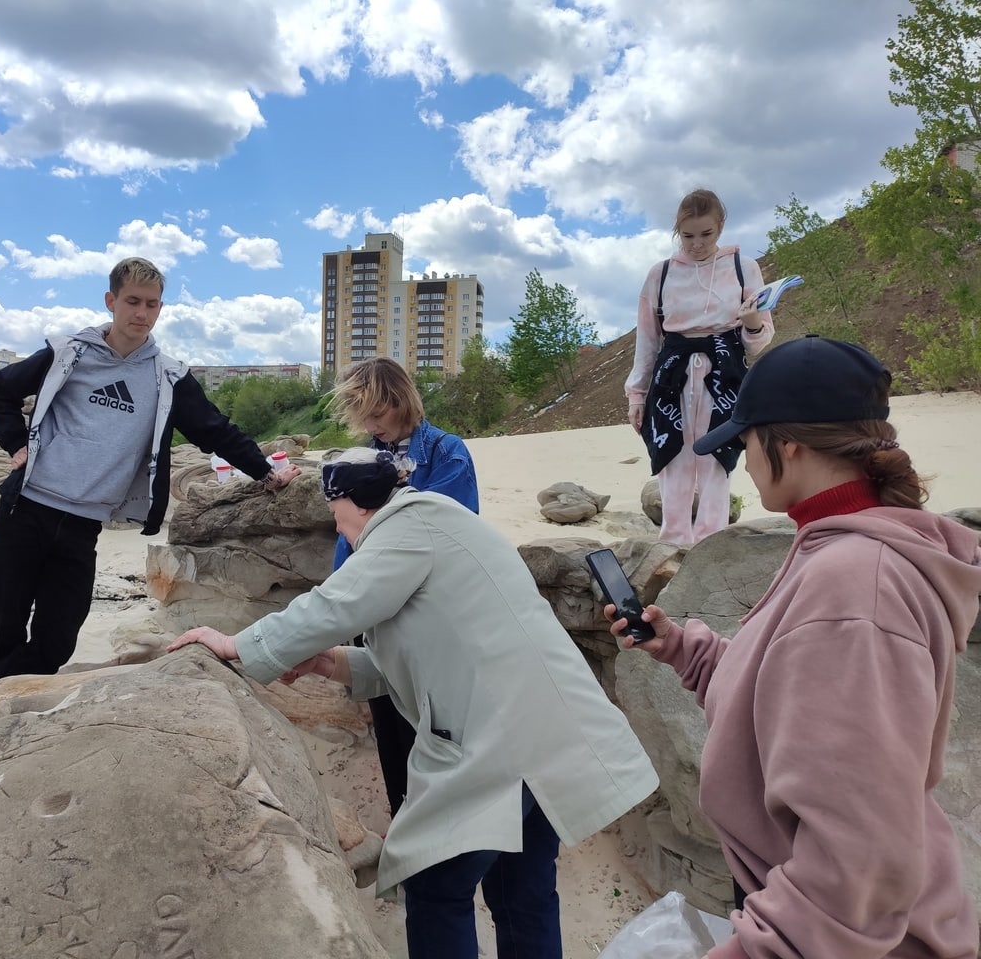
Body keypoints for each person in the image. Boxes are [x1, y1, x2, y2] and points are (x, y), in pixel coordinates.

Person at [170, 448, 658, 959]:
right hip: (544, 735)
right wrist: (328, 663)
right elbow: (427, 654)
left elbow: (335, 603)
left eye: (337, 520)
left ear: (355, 503)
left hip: (500, 741)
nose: (340, 534)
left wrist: (239, 644)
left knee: (433, 886)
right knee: (522, 893)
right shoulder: (436, 528)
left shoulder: (409, 526)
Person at [606, 336, 981, 959]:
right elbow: (793, 697)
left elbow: (855, 861)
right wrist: (682, 649)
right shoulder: (835, 547)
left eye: (745, 441)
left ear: (790, 445)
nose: (743, 460)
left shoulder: (857, 584)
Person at [0, 256, 301, 691]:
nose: (142, 313)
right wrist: (16, 443)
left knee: (56, 642)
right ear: (111, 301)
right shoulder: (68, 352)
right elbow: (0, 391)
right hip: (24, 511)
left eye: (153, 304)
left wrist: (267, 474)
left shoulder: (168, 375)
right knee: (5, 634)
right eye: (133, 302)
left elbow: (214, 429)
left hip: (83, 527)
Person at [329, 357, 479, 818]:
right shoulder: (361, 459)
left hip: (427, 616)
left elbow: (448, 533)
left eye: (378, 413)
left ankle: (444, 823)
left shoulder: (447, 453)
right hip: (373, 613)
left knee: (432, 726)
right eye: (362, 417)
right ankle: (404, 817)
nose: (371, 425)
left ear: (401, 401)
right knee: (389, 728)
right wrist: (338, 597)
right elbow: (346, 536)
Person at [626, 188, 775, 546]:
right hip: (672, 374)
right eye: (688, 235)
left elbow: (760, 339)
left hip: (725, 370)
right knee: (672, 458)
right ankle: (672, 541)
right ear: (678, 232)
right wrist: (636, 394)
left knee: (716, 457)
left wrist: (752, 320)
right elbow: (647, 340)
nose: (697, 244)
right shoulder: (660, 274)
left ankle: (712, 541)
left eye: (706, 234)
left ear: (720, 227)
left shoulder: (743, 268)